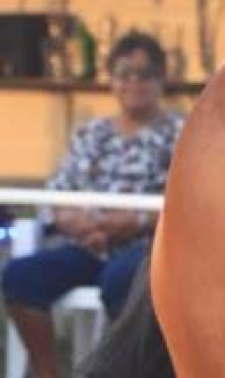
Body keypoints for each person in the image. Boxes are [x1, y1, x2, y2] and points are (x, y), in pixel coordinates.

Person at [1, 32, 184, 378]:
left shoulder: (181, 132)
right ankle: (48, 373)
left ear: (162, 80)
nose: (134, 83)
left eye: (144, 74)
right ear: (111, 80)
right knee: (20, 277)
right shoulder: (91, 133)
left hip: (146, 249)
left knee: (121, 281)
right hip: (86, 244)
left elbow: (189, 203)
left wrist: (137, 220)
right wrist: (79, 223)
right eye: (124, 73)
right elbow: (59, 190)